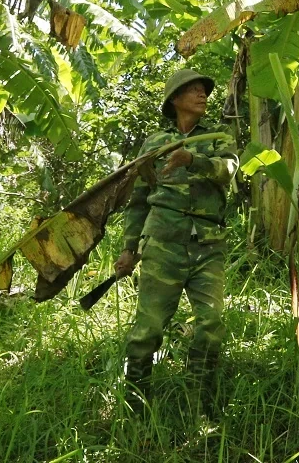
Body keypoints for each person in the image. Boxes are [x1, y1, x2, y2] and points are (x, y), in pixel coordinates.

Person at [114, 68, 238, 415]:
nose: (202, 95)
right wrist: (129, 249)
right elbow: (139, 199)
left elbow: (228, 170)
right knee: (148, 329)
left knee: (210, 324)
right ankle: (135, 409)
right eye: (193, 89)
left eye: (204, 90)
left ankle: (200, 406)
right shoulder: (155, 143)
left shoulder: (218, 136)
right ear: (175, 99)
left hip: (207, 246)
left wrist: (192, 159)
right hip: (163, 244)